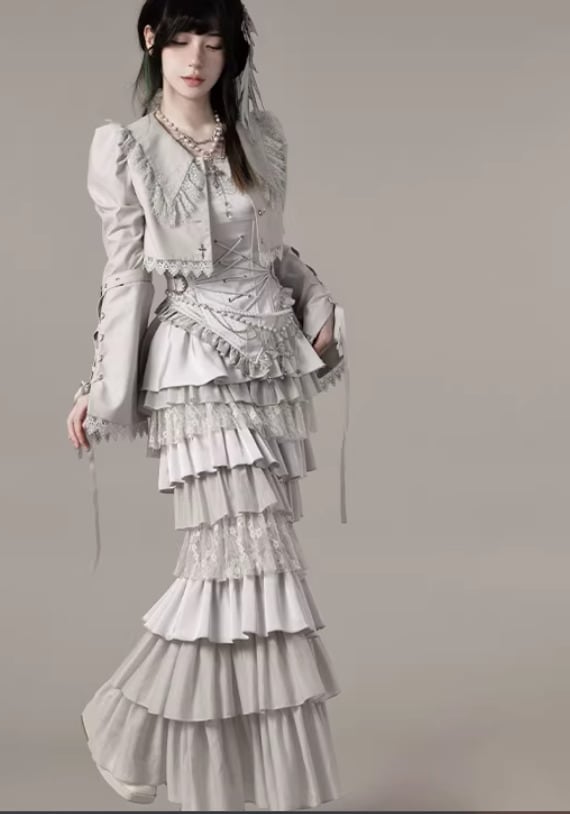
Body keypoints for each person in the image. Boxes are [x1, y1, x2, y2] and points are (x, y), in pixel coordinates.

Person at [66, 0, 350, 809]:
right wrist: (100, 390)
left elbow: (274, 255)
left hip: (269, 368)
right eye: (181, 39)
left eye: (214, 42)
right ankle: (127, 723)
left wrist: (319, 306)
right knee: (242, 568)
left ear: (232, 54)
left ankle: (236, 789)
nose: (195, 58)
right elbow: (127, 277)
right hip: (195, 367)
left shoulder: (259, 139)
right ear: (151, 41)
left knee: (254, 593)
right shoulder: (127, 148)